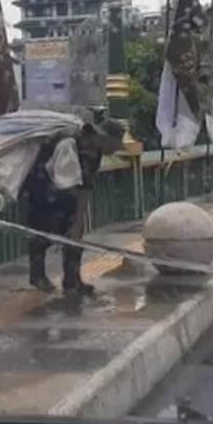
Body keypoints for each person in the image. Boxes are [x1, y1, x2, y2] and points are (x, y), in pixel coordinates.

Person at [25, 119, 125, 296]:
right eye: (115, 146)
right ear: (104, 138)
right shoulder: (74, 142)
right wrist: (76, 221)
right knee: (44, 234)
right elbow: (79, 188)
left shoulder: (94, 149)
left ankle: (72, 281)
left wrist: (78, 222)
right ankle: (38, 275)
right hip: (44, 187)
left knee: (74, 237)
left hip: (65, 190)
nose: (115, 151)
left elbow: (85, 187)